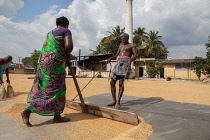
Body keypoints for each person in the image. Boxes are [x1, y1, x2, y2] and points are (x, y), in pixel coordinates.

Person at [21, 16, 74, 127]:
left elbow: (50, 48)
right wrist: (67, 57)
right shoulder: (66, 30)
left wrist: (66, 59)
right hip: (56, 65)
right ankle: (29, 109)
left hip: (44, 66)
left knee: (47, 89)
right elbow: (68, 46)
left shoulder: (49, 33)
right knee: (57, 90)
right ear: (66, 23)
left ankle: (57, 115)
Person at [106, 33, 137, 109]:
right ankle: (114, 100)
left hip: (125, 64)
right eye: (121, 38)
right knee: (112, 82)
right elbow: (117, 55)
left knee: (121, 83)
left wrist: (130, 60)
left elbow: (135, 55)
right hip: (118, 63)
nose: (122, 40)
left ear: (127, 38)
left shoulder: (132, 45)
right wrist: (110, 58)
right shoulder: (120, 45)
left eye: (124, 38)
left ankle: (118, 102)